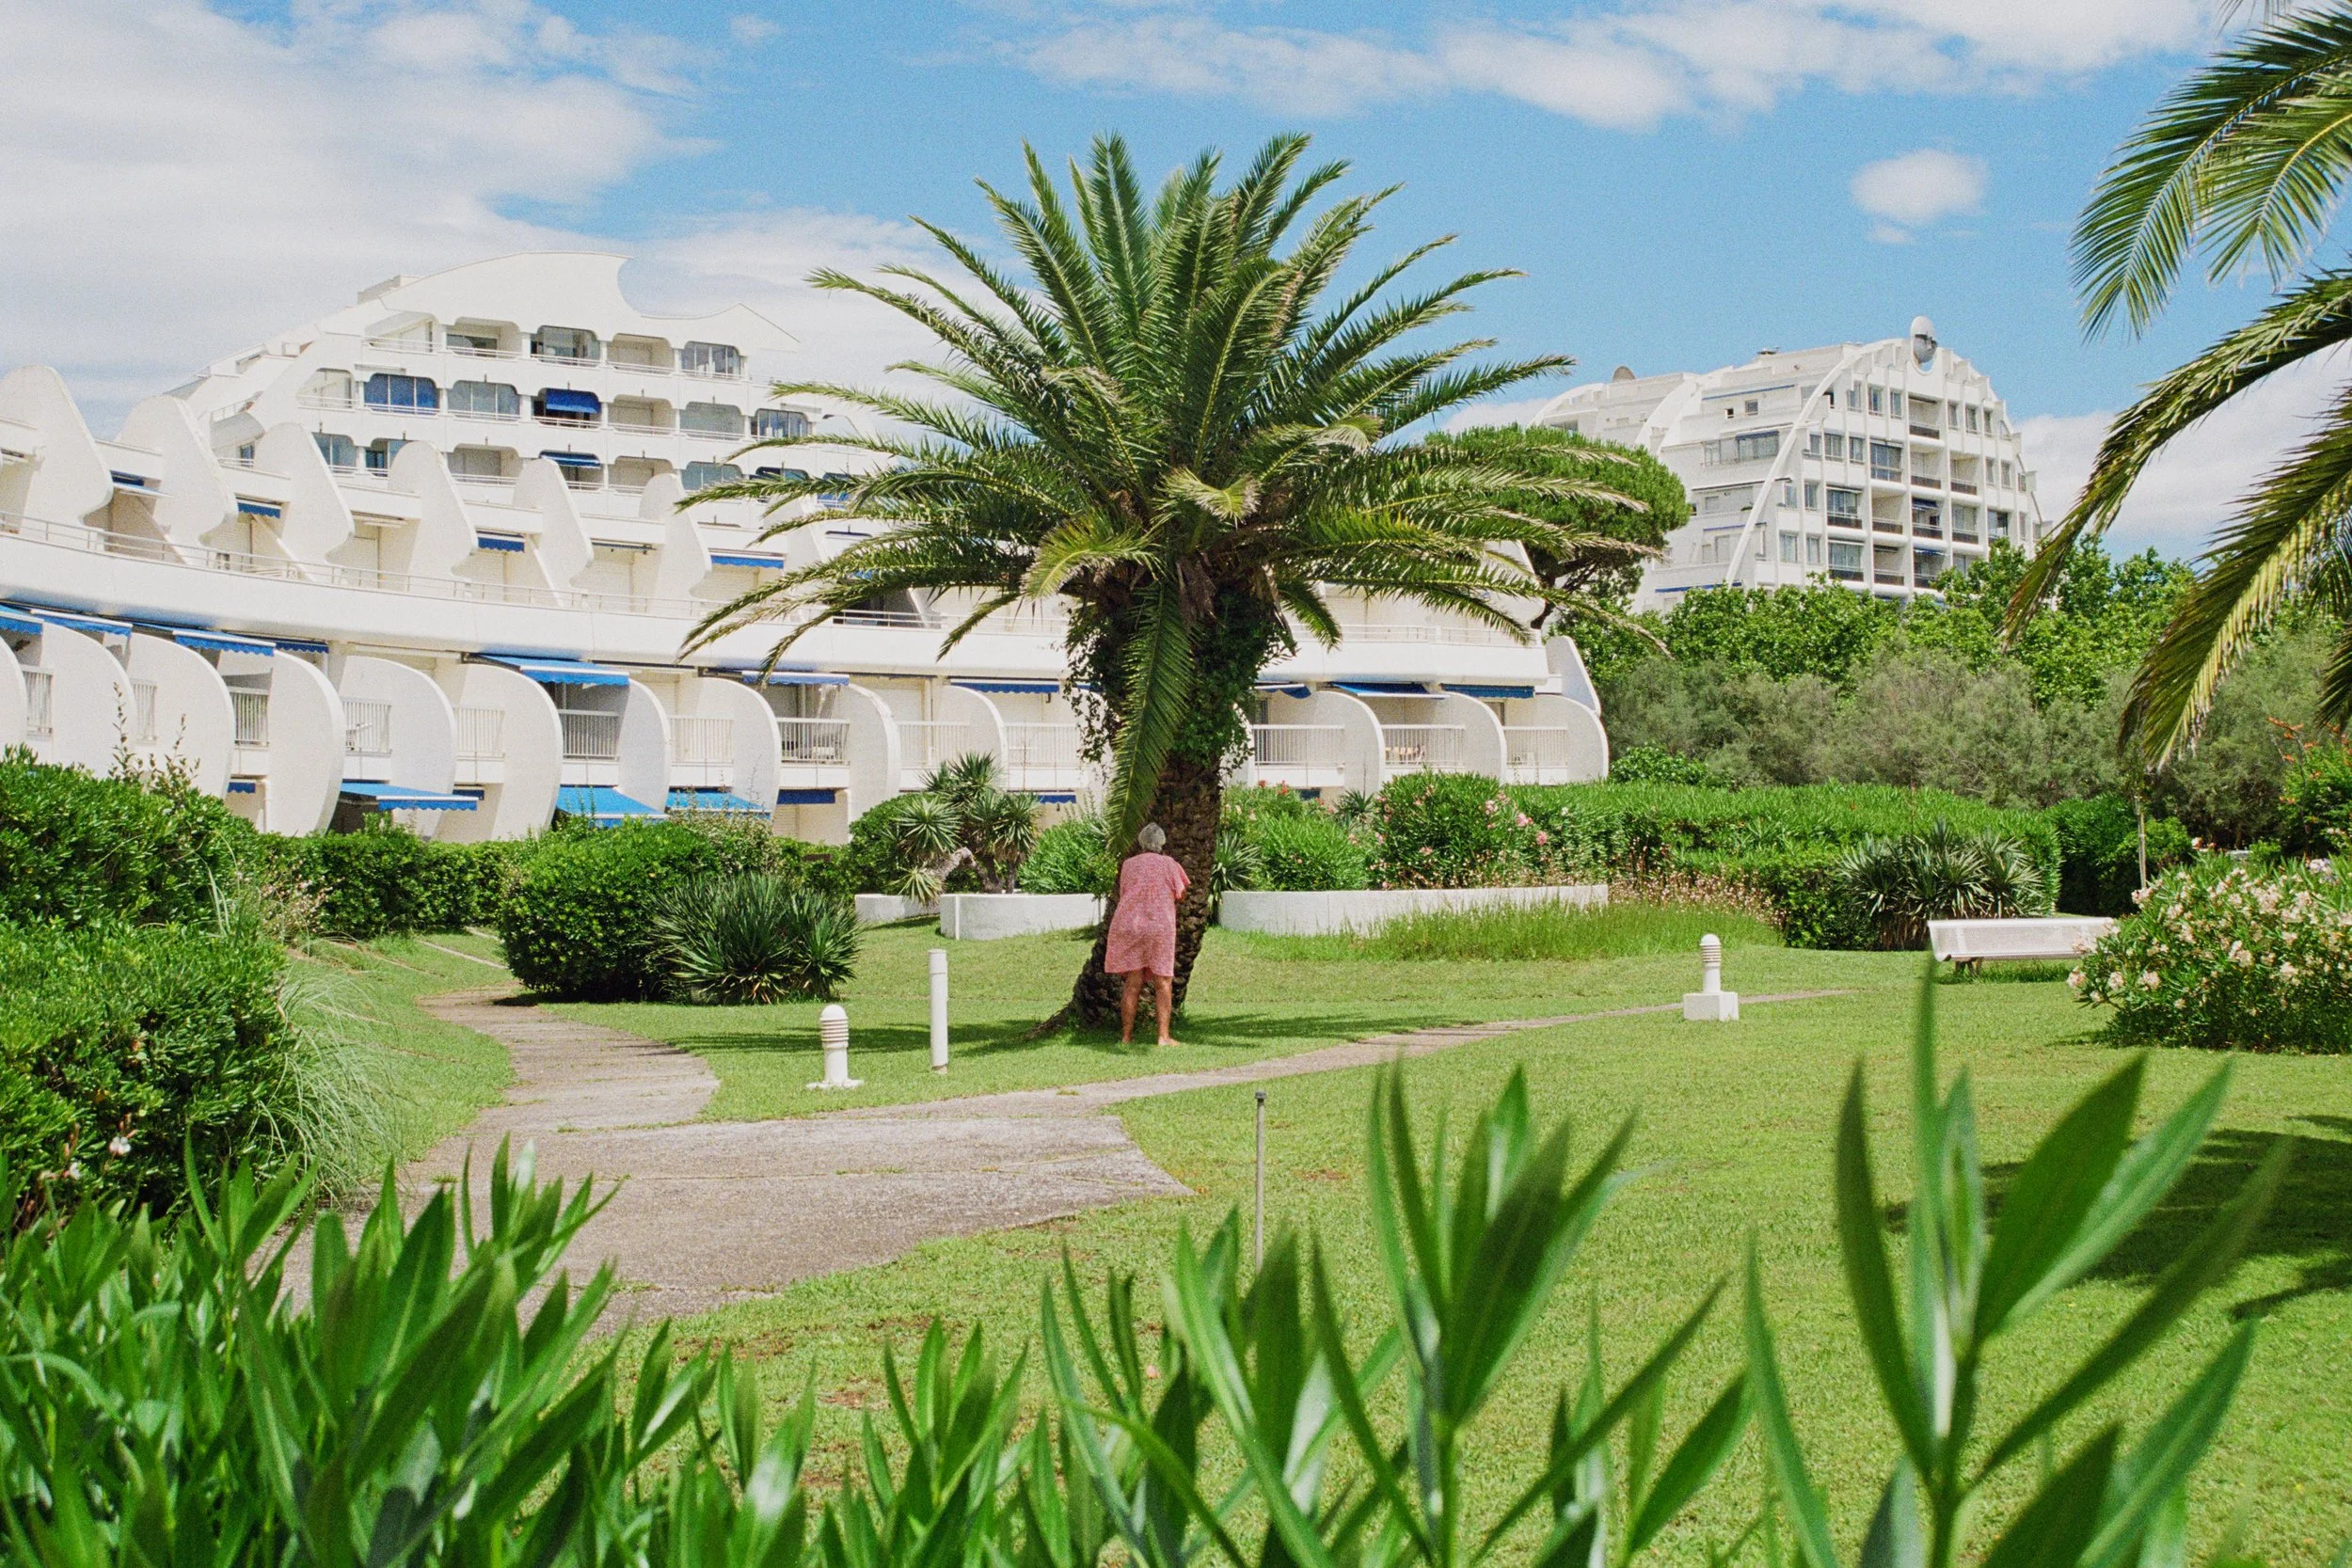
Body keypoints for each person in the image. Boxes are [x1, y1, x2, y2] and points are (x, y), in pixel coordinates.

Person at [1105, 822, 1189, 1048]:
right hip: (1159, 925)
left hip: (1130, 924)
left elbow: (1125, 891)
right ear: (1162, 843)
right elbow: (1181, 893)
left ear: (1141, 842)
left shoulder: (1128, 865)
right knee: (1163, 981)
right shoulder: (1170, 864)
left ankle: (1126, 1036)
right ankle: (1163, 1036)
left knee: (1133, 982)